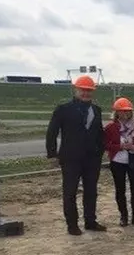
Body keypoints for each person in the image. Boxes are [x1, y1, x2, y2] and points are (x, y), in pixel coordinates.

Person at [45, 74, 106, 235]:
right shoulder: (63, 110)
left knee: (91, 190)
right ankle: (72, 224)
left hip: (92, 158)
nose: (86, 93)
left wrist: (101, 151)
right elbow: (52, 132)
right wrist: (52, 153)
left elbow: (99, 133)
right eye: (83, 90)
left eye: (89, 91)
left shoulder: (96, 110)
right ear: (76, 90)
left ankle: (90, 221)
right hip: (71, 158)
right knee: (70, 191)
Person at [104, 97, 134, 227]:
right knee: (120, 189)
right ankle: (123, 216)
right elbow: (105, 144)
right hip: (118, 161)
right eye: (121, 111)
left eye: (127, 111)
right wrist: (120, 147)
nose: (125, 113)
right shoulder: (111, 127)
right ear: (116, 112)